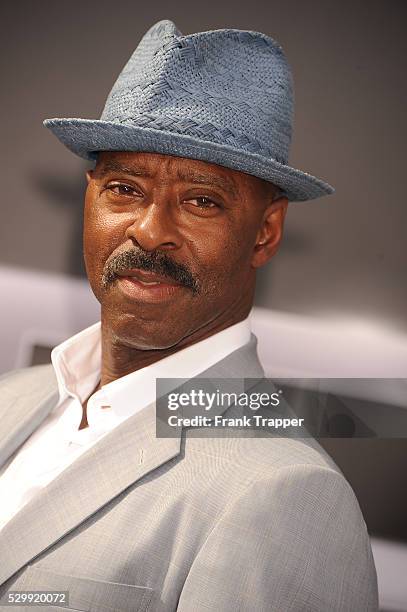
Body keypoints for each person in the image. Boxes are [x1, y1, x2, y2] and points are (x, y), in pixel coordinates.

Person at [0, 19, 378, 611]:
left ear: (265, 233)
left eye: (201, 201)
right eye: (125, 189)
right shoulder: (9, 399)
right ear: (88, 197)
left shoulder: (286, 493)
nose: (150, 233)